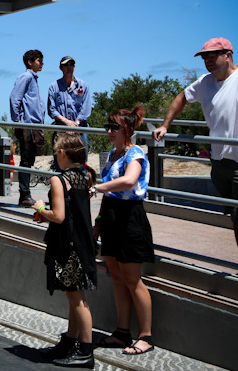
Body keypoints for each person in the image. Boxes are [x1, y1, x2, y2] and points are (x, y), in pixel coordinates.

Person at [152, 37, 238, 269]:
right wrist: (165, 125)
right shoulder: (205, 82)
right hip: (220, 164)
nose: (208, 60)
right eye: (204, 56)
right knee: (236, 218)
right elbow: (181, 98)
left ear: (229, 55)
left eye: (213, 55)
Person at [92, 107, 155, 356]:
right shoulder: (112, 153)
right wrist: (97, 223)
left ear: (127, 130)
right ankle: (122, 331)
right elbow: (108, 193)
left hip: (130, 217)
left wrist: (97, 187)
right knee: (117, 277)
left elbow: (129, 181)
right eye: (107, 127)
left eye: (114, 127)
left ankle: (146, 335)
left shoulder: (135, 153)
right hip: (111, 216)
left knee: (132, 279)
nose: (109, 131)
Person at [33, 134, 98, 368]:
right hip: (82, 244)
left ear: (62, 153)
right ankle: (70, 342)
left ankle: (86, 351)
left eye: (56, 151)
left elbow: (58, 216)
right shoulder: (82, 178)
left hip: (68, 247)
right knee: (75, 296)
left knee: (77, 299)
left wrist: (41, 208)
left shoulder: (59, 180)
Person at [10, 49, 45, 207]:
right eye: (39, 60)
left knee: (29, 159)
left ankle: (25, 194)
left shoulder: (33, 78)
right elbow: (15, 97)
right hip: (27, 124)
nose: (42, 63)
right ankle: (24, 195)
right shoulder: (26, 77)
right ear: (30, 62)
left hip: (33, 125)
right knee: (26, 159)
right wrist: (17, 120)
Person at [48, 56, 92, 171]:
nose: (69, 67)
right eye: (66, 65)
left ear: (74, 67)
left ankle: (81, 188)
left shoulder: (83, 85)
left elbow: (86, 109)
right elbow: (51, 110)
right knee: (60, 165)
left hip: (79, 131)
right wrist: (67, 122)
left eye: (71, 64)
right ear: (60, 68)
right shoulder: (54, 86)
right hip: (61, 131)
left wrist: (76, 123)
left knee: (81, 164)